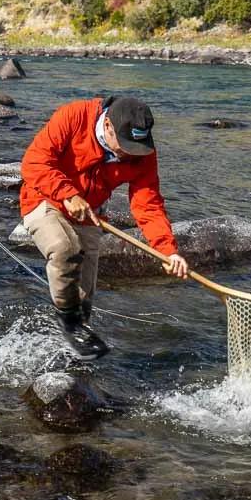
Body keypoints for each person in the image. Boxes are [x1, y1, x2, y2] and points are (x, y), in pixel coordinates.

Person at [20, 95, 188, 359]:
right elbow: (34, 162)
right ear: (107, 126)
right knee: (65, 250)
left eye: (136, 146)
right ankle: (69, 324)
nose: (129, 153)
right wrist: (67, 194)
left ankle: (76, 352)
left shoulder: (141, 152)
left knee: (84, 298)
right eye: (124, 145)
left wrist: (168, 250)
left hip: (90, 213)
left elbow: (148, 204)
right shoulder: (73, 116)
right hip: (44, 198)